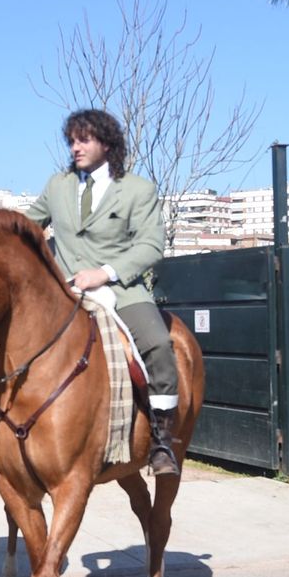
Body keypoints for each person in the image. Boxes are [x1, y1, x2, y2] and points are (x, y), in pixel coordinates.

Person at [26, 108, 179, 474]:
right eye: (71, 141)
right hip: (64, 292)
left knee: (158, 344)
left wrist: (105, 273)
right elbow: (26, 225)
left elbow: (151, 245)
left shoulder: (138, 190)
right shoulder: (57, 185)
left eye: (84, 140)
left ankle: (161, 439)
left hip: (120, 290)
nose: (75, 148)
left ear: (107, 144)